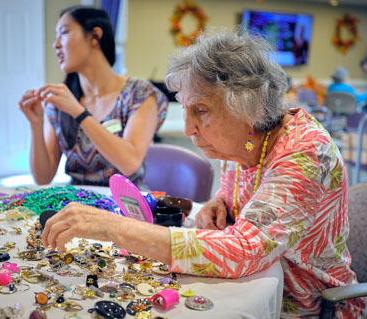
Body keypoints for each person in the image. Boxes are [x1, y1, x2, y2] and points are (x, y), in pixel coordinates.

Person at [41, 29, 365, 318]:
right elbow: (251, 197)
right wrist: (218, 200)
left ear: (248, 107)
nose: (187, 128)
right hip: (257, 284)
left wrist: (113, 227)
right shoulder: (241, 142)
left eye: (201, 111)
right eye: (186, 108)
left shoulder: (307, 151)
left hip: (310, 305)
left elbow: (243, 250)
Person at [19, 6, 168, 189]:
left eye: (64, 33)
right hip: (75, 204)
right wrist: (36, 124)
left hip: (126, 205)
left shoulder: (139, 94)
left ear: (94, 36)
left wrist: (79, 113)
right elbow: (43, 178)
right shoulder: (60, 102)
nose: (55, 44)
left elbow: (130, 163)